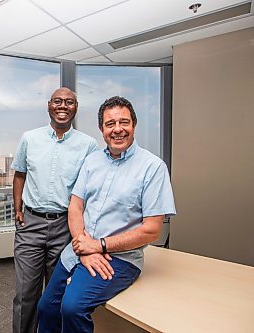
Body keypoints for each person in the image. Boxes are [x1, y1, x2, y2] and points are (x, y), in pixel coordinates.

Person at [37, 96, 176, 333]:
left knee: (72, 308)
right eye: (110, 124)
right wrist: (83, 245)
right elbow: (75, 207)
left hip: (119, 259)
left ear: (134, 124)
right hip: (79, 250)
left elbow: (152, 230)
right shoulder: (92, 161)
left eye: (124, 122)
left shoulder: (153, 167)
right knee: (46, 309)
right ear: (102, 129)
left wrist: (98, 246)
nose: (118, 129)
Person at [11, 87, 98, 333]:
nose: (63, 106)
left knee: (56, 293)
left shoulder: (88, 145)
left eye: (69, 102)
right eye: (58, 101)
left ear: (76, 107)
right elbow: (19, 174)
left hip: (64, 228)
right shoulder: (30, 138)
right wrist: (17, 208)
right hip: (31, 225)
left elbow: (90, 188)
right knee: (25, 294)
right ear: (49, 105)